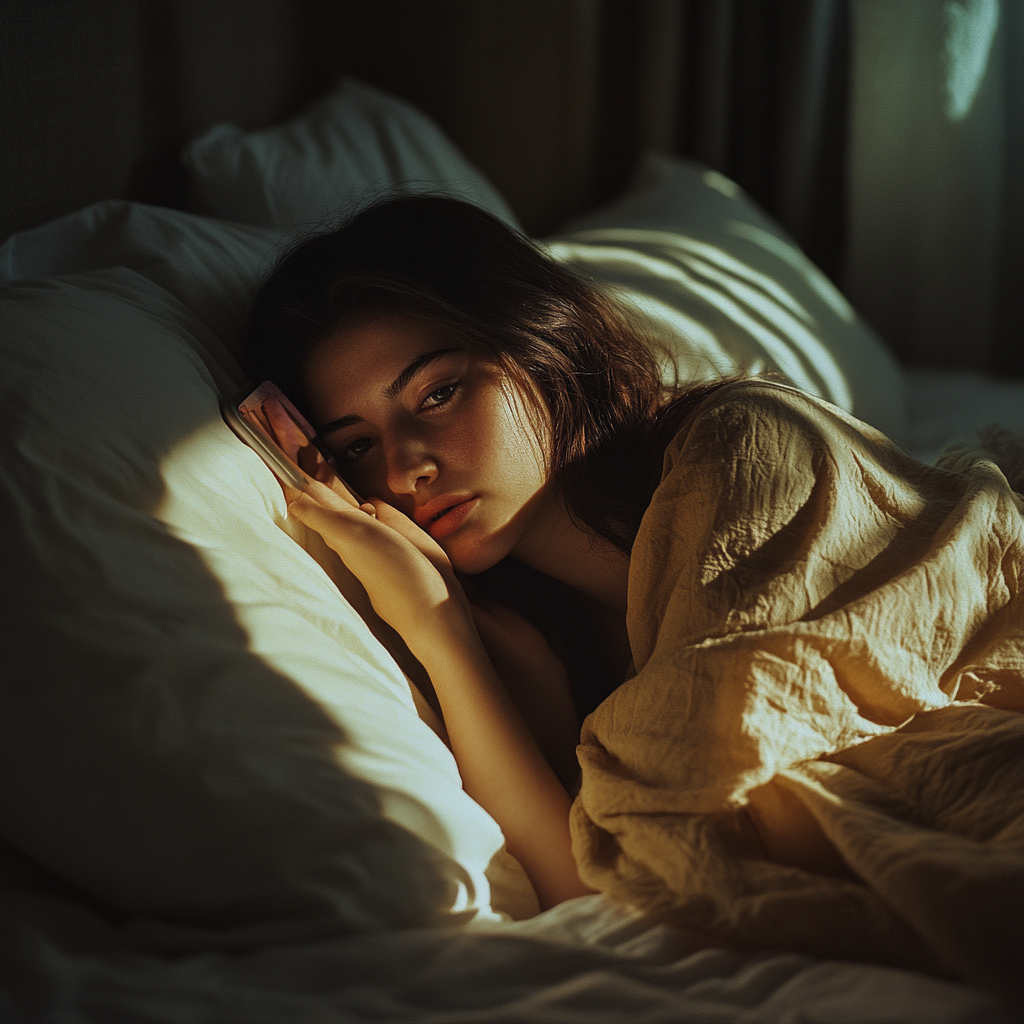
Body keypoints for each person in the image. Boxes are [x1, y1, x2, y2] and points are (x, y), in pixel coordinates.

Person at [245, 196, 1023, 998]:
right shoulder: (535, 640)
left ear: (537, 343)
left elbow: (684, 816)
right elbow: (593, 891)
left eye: (439, 394)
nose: (407, 468)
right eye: (358, 446)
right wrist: (445, 639)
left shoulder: (746, 443)